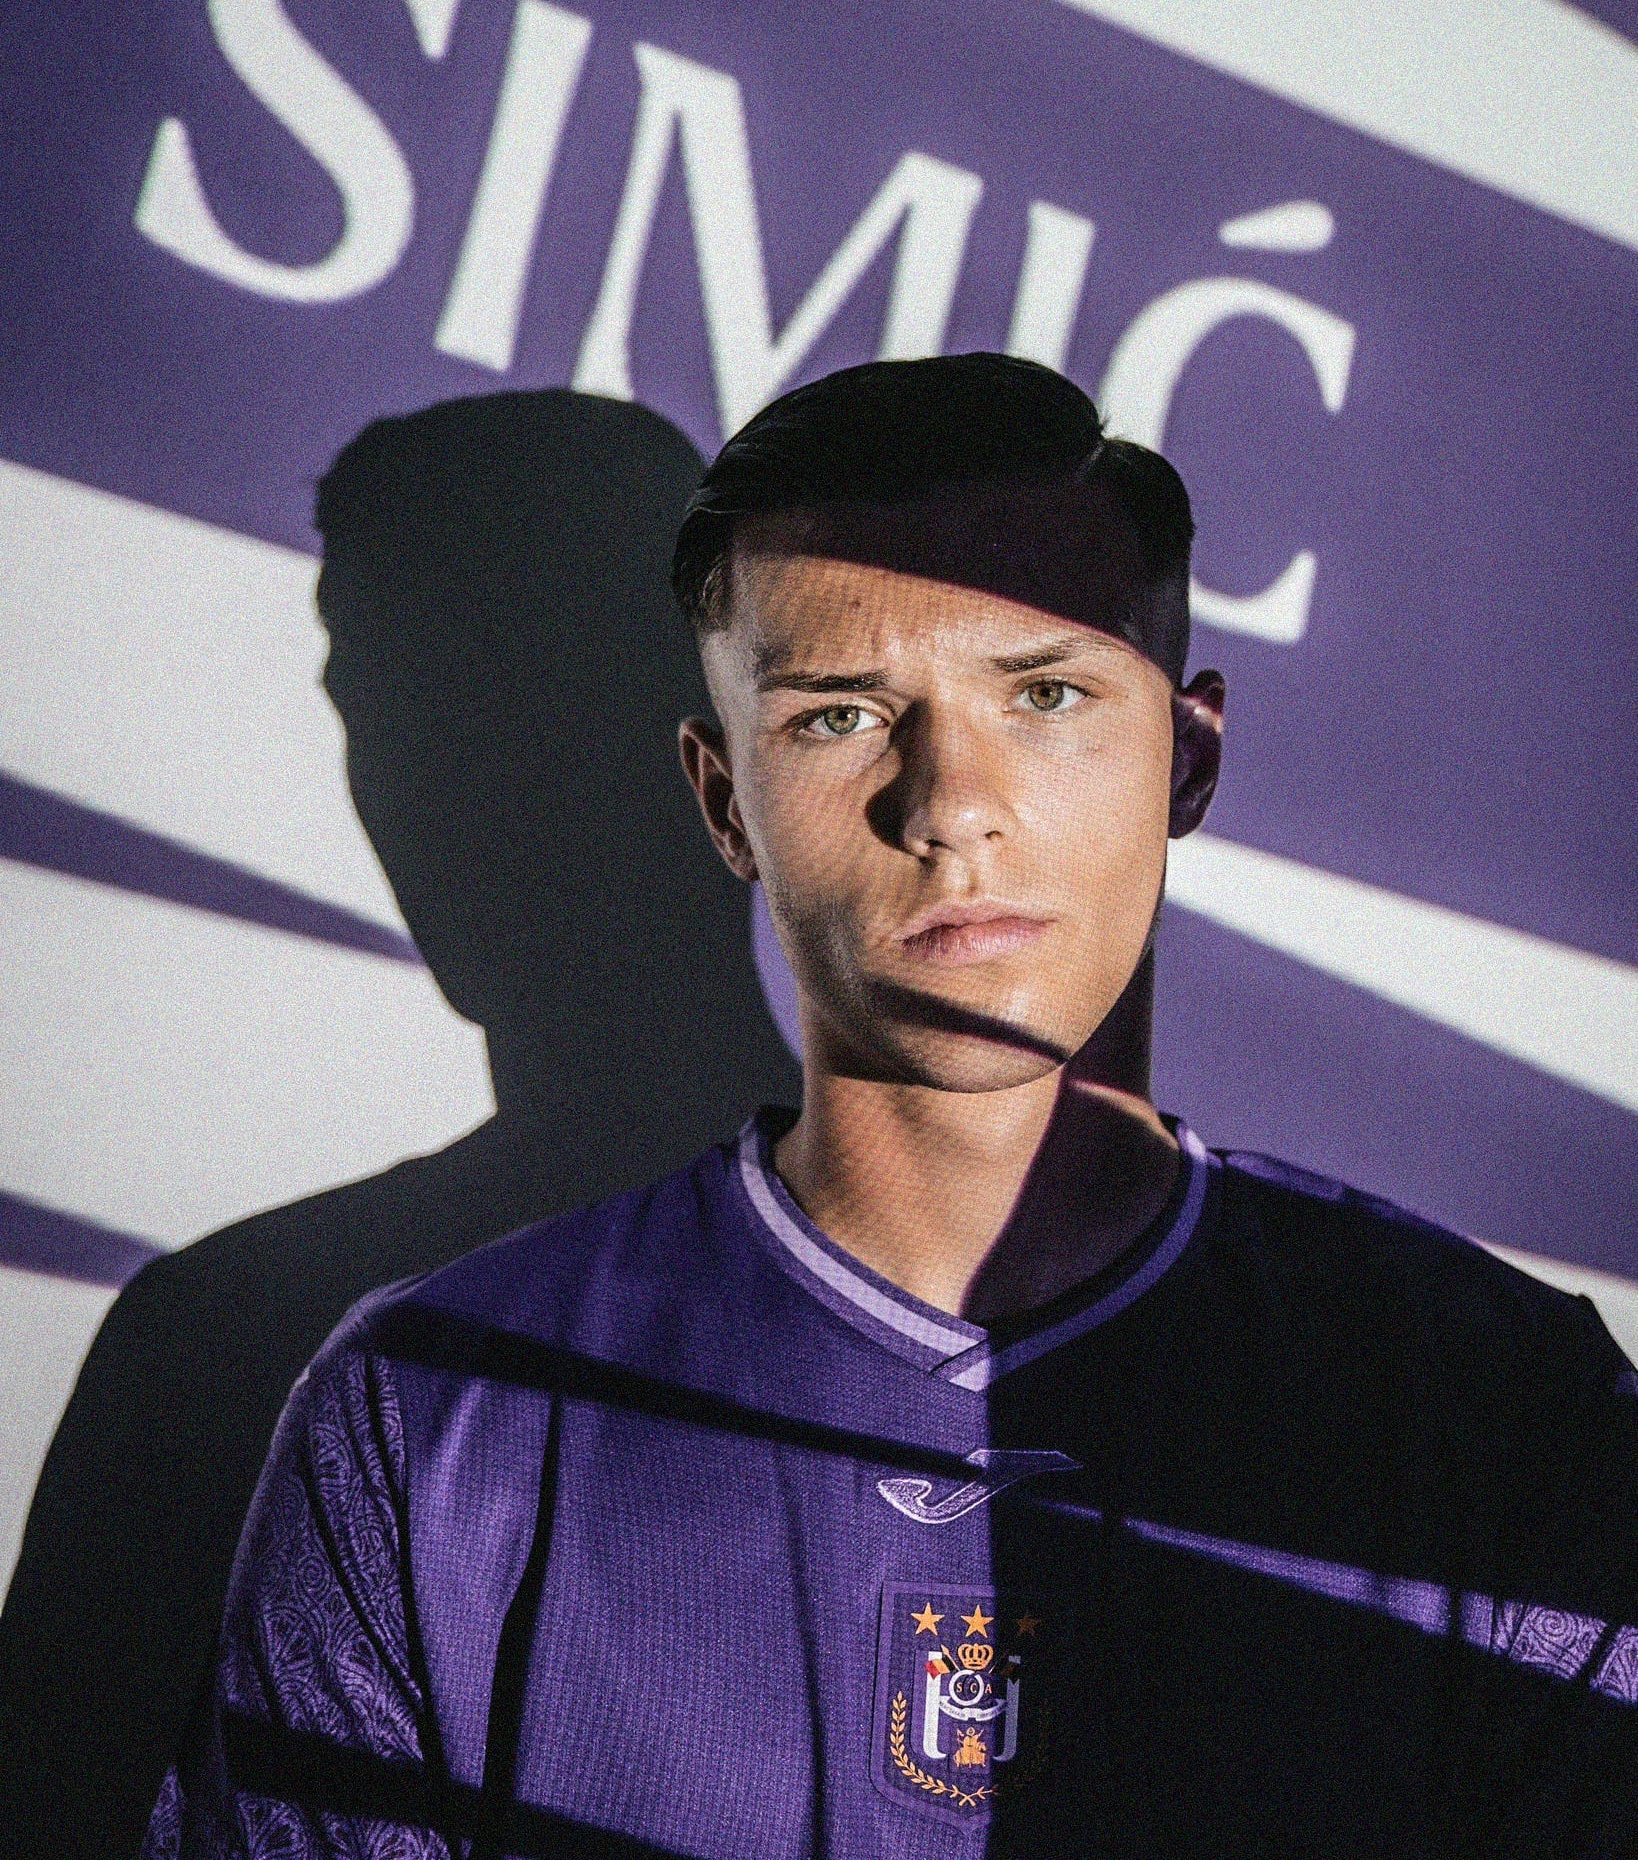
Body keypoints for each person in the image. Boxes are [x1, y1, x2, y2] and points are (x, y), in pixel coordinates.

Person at [144, 355, 1637, 1859]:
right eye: (840, 716)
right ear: (724, 799)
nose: (947, 802)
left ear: (1184, 756)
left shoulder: (1500, 1405)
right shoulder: (427, 1411)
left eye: (1045, 694)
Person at [0, 390, 795, 1860]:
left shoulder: (1023, 1338)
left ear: (716, 739)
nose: (441, 782)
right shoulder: (232, 1339)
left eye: (517, 687)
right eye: (387, 702)